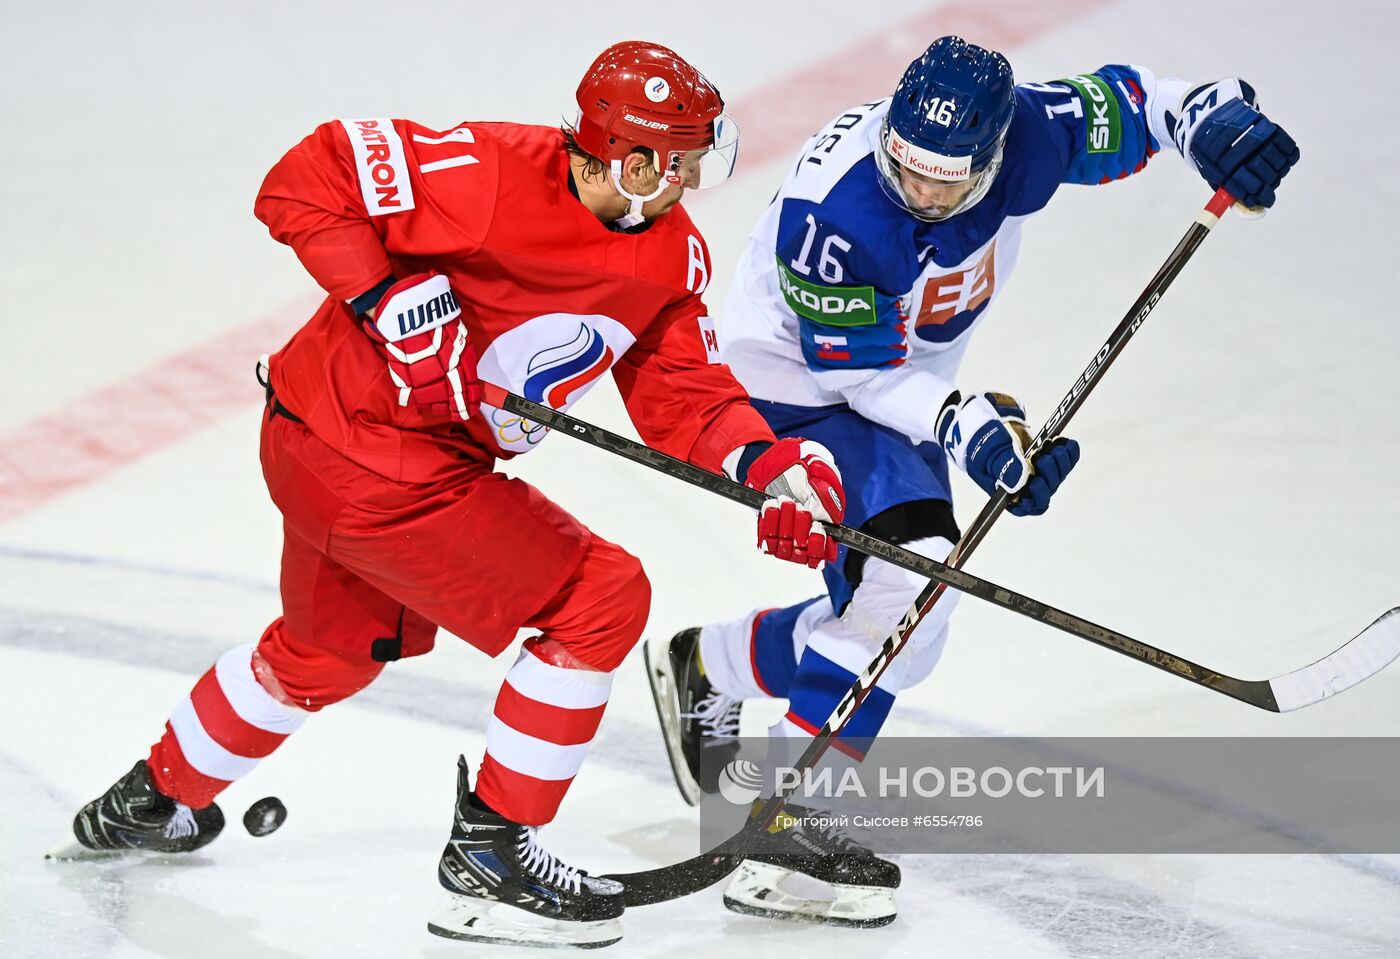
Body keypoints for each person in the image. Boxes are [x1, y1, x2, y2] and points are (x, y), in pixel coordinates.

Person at [67, 41, 848, 950]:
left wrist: (773, 469)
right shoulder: (485, 175)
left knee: (327, 651)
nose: (696, 176)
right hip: (373, 463)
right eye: (683, 158)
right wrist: (383, 292)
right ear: (635, 163)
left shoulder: (668, 257)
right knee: (601, 597)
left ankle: (149, 798)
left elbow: (689, 394)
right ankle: (492, 858)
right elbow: (300, 178)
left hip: (326, 441)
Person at [645, 35, 1299, 927]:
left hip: (892, 380)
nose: (923, 194)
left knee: (909, 629)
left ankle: (712, 663)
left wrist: (1210, 117)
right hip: (789, 389)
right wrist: (966, 424)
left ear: (994, 153)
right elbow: (861, 378)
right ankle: (786, 831)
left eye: (949, 181)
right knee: (905, 588)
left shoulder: (1025, 134)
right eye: (908, 172)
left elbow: (1139, 101)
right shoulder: (838, 218)